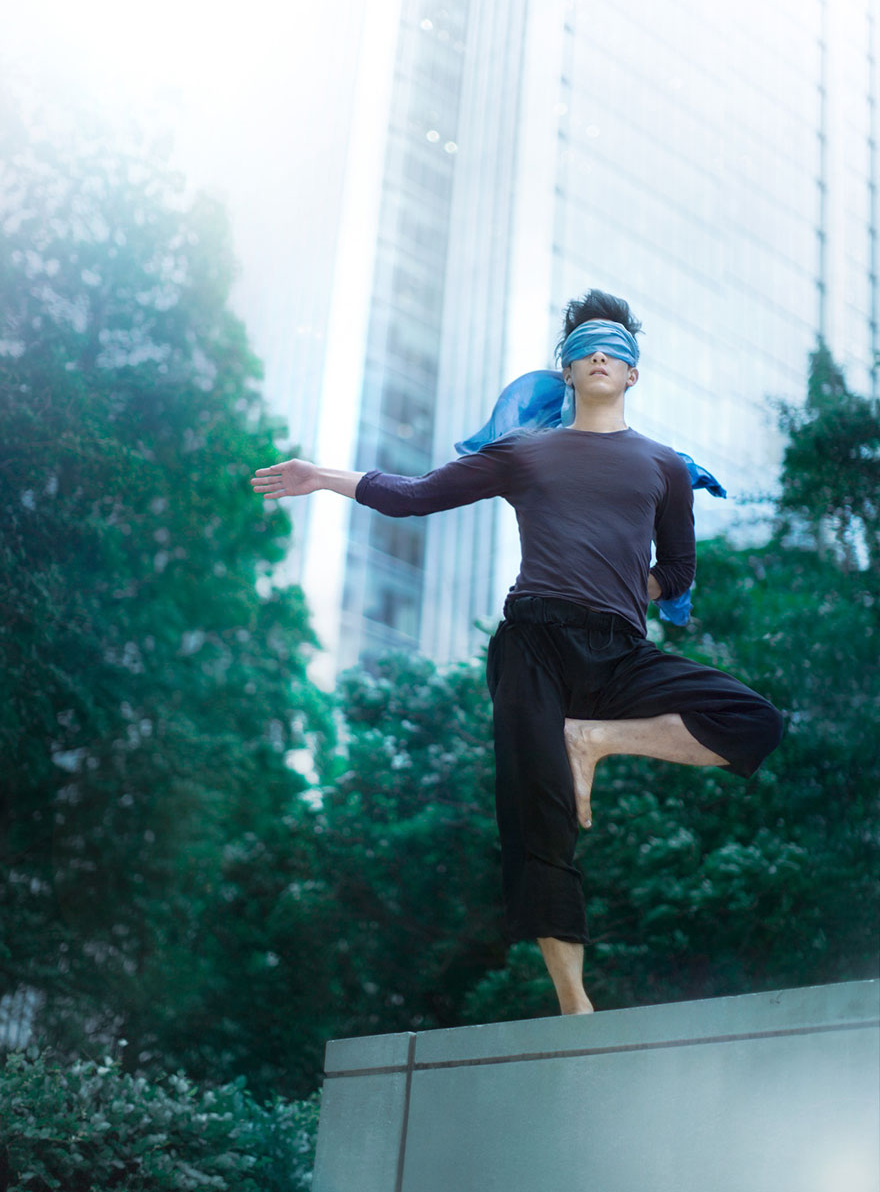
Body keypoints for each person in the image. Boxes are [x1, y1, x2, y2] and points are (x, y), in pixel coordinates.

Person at [250, 289, 785, 1017]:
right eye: (588, 346)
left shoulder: (663, 467)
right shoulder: (524, 452)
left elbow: (679, 575)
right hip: (533, 644)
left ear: (634, 374)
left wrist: (629, 580)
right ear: (566, 368)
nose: (602, 353)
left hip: (621, 652)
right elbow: (411, 496)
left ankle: (593, 739)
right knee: (537, 820)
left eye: (617, 347)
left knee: (753, 721)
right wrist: (323, 476)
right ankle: (575, 1006)